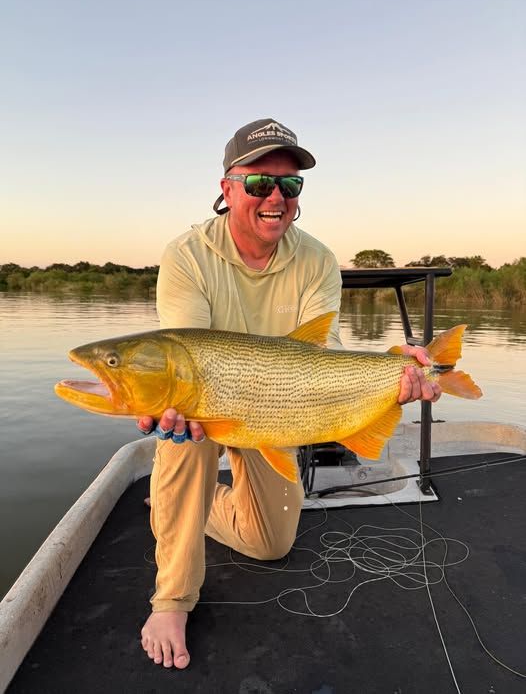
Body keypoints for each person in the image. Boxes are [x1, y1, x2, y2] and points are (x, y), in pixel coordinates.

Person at [137, 118, 441, 669]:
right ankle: (172, 598)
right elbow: (186, 356)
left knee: (270, 544)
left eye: (290, 184)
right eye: (259, 182)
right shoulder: (186, 254)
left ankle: (177, 506)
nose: (276, 197)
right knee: (185, 430)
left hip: (279, 407)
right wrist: (164, 403)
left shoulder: (318, 259)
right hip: (210, 401)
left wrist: (390, 375)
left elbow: (322, 354)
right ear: (227, 188)